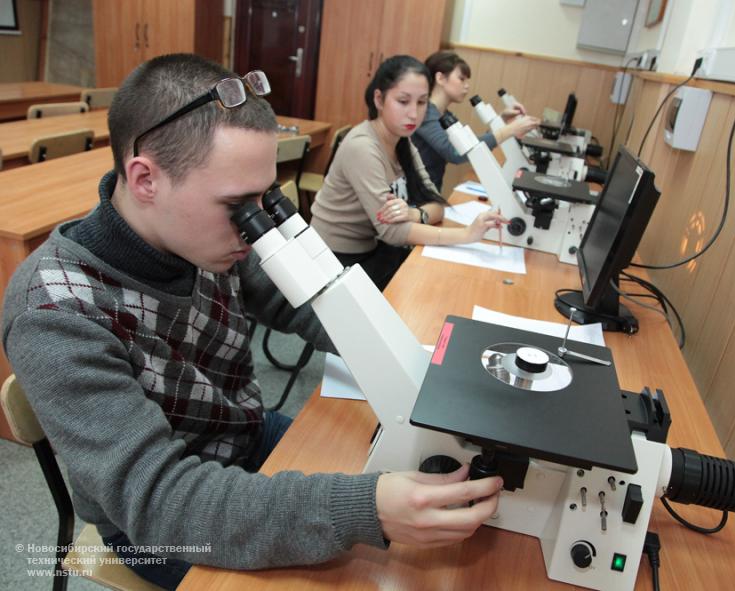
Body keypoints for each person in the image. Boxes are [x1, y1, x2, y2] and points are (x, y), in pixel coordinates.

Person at [1, 54, 503, 591]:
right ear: (145, 178)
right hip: (161, 519)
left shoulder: (207, 236)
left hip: (244, 435)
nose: (255, 227)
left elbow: (303, 306)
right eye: (238, 205)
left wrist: (422, 362)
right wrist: (366, 508)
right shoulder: (55, 312)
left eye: (265, 200)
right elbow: (160, 499)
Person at [310, 55, 507, 291]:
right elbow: (392, 231)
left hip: (371, 250)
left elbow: (436, 202)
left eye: (422, 102)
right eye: (403, 101)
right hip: (336, 263)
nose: (414, 114)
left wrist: (415, 214)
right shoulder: (363, 147)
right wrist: (466, 235)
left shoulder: (403, 140)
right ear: (379, 99)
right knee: (429, 288)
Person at [412, 50, 540, 192]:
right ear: (440, 78)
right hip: (415, 198)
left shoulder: (445, 115)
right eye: (461, 79)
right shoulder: (424, 113)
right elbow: (455, 152)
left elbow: (470, 146)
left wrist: (501, 121)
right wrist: (510, 130)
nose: (467, 85)